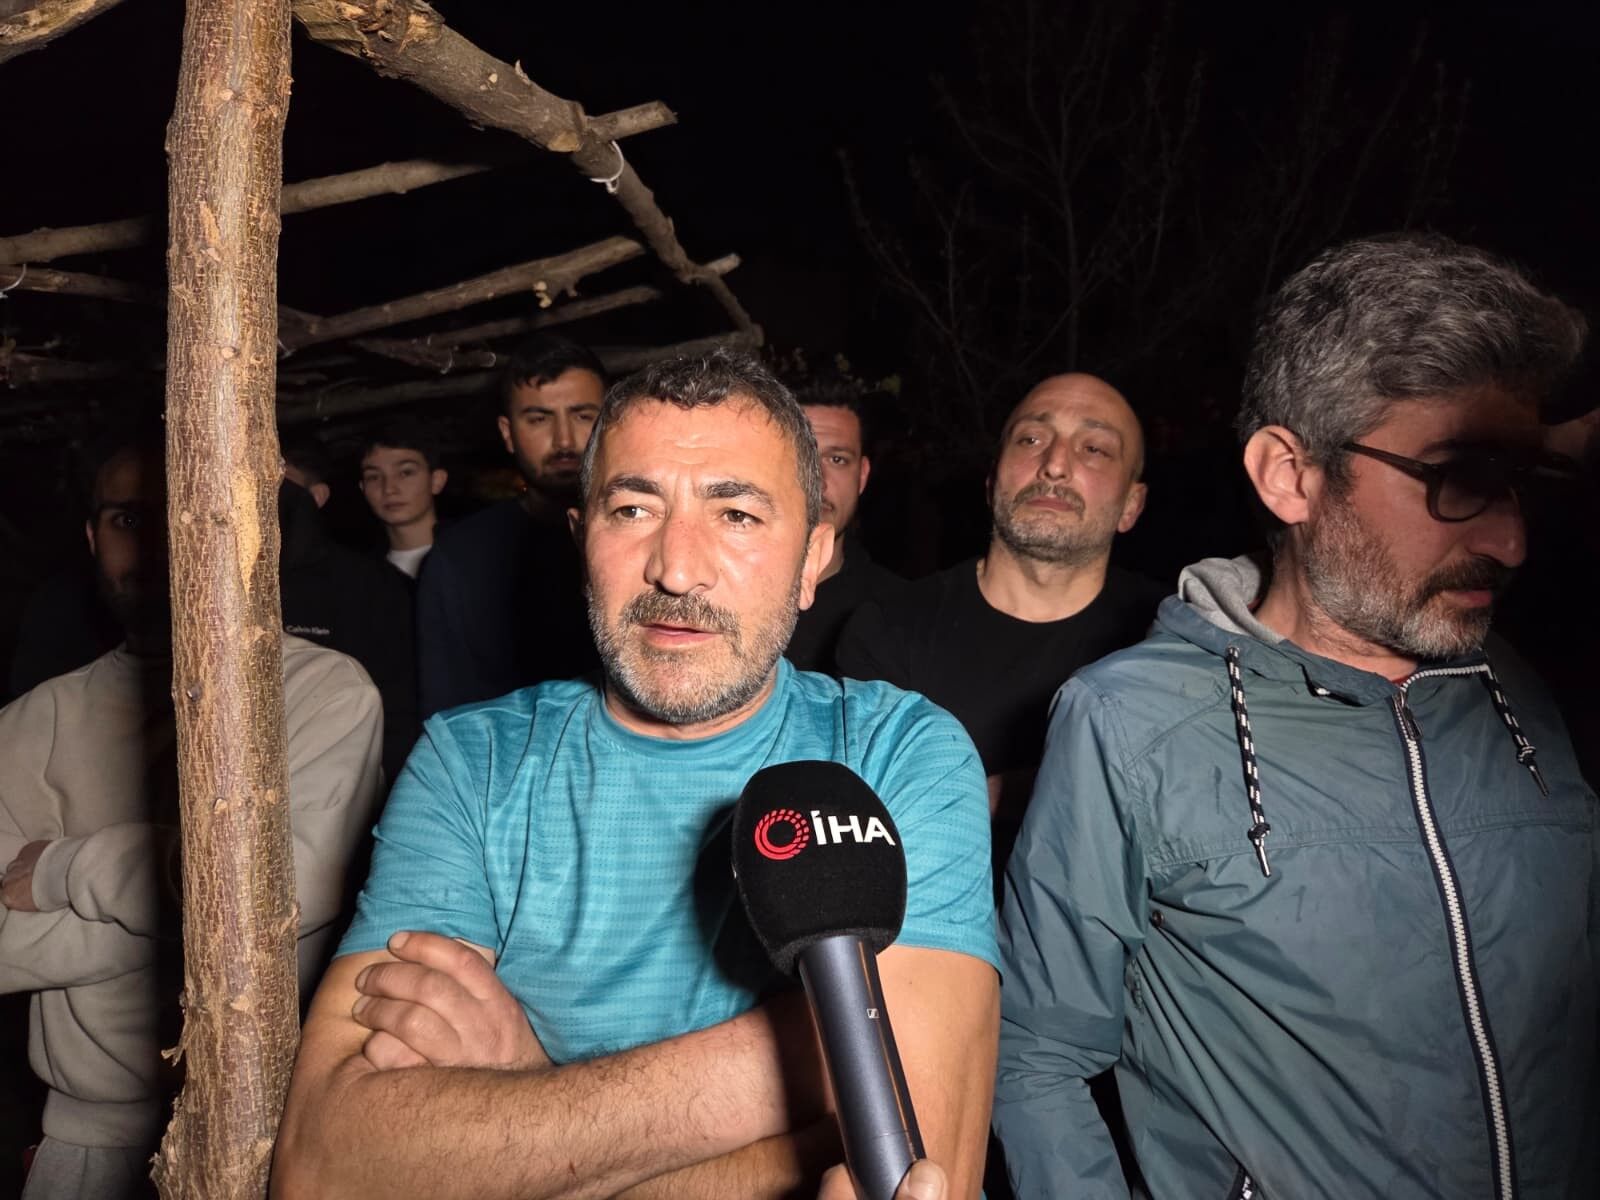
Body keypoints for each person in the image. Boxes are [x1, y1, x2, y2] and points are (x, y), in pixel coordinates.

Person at [273, 351, 999, 1200]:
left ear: (813, 559)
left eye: (736, 514)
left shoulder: (897, 753)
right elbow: (325, 1164)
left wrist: (525, 1088)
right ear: (580, 540)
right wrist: (827, 1046)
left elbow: (907, 1167)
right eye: (632, 509)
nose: (676, 569)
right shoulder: (471, 764)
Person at [993, 234, 1599, 1198]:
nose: (1512, 540)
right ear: (1290, 475)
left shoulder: (1516, 690)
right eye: (1460, 477)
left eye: (1520, 482)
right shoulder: (1127, 722)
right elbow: (1036, 1056)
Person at [0, 436, 383, 1200]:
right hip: (85, 1146)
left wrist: (61, 870)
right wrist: (192, 900)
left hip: (274, 1139)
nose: (157, 543)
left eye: (181, 514)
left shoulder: (325, 693)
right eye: (127, 520)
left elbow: (274, 894)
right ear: (92, 538)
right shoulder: (32, 720)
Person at [836, 373, 1162, 859]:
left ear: (1131, 505)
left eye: (1094, 449)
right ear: (991, 483)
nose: (1055, 465)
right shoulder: (888, 629)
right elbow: (864, 823)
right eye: (1031, 440)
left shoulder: (1169, 644)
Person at [414, 334, 603, 716]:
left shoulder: (654, 537)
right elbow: (447, 712)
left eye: (583, 416)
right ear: (507, 433)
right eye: (539, 418)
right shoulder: (462, 557)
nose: (564, 439)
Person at [279, 432, 419, 784]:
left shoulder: (367, 585)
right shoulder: (216, 580)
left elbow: (398, 704)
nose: (390, 488)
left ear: (316, 496)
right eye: (374, 477)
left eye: (281, 486)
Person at [783, 381, 909, 675]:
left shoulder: (901, 614)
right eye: (800, 455)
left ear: (862, 476)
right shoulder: (711, 588)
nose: (819, 480)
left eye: (837, 459)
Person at [357, 421, 448, 580]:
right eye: (374, 477)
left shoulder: (476, 555)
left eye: (405, 473)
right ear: (363, 488)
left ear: (436, 481)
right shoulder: (358, 576)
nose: (389, 489)